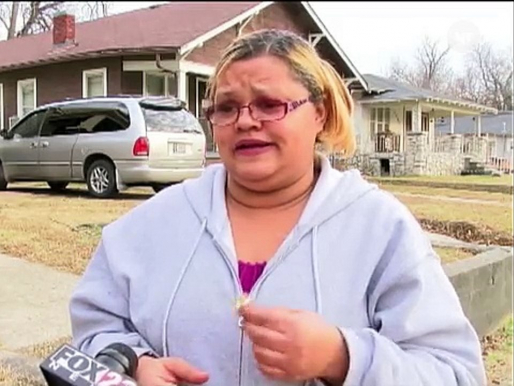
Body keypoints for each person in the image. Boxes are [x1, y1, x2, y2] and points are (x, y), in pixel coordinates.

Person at [68, 29, 487, 386]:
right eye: (227, 108)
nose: (246, 121)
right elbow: (94, 328)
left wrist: (342, 358)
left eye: (270, 105)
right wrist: (134, 365)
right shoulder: (157, 221)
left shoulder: (380, 228)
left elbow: (455, 372)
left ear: (319, 114)